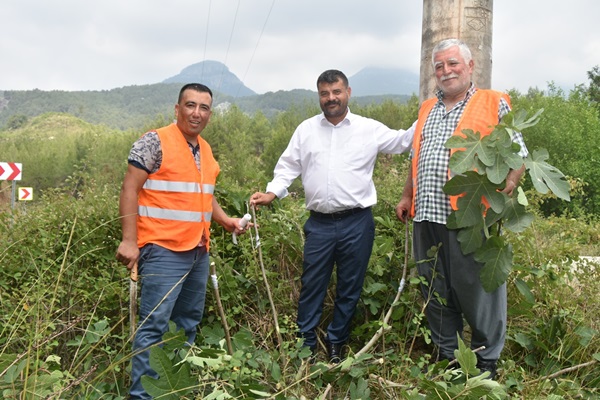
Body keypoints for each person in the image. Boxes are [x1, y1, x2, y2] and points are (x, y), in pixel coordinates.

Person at [250, 69, 415, 364]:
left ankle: (337, 342)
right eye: (325, 93)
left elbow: (404, 141)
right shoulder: (306, 130)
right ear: (319, 96)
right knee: (312, 284)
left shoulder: (368, 128)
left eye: (336, 92)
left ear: (348, 92)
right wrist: (272, 192)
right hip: (320, 224)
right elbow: (287, 166)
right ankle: (306, 346)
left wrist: (430, 113)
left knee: (350, 286)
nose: (331, 98)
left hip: (357, 222)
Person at [395, 38, 528, 379]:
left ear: (470, 67)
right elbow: (416, 157)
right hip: (427, 215)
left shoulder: (492, 102)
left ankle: (485, 363)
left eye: (453, 63)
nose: (445, 71)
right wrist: (408, 196)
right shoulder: (427, 108)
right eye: (439, 66)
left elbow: (518, 155)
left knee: (479, 291)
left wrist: (505, 190)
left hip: (471, 215)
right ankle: (450, 359)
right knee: (435, 287)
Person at [115, 83, 249, 399]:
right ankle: (143, 395)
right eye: (190, 105)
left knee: (186, 324)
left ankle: (173, 388)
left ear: (210, 114)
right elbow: (129, 190)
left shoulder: (204, 148)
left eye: (203, 108)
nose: (196, 113)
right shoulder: (155, 141)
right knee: (155, 326)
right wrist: (129, 241)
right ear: (177, 109)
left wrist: (226, 220)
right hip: (162, 250)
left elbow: (203, 195)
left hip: (197, 250)